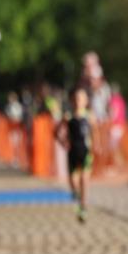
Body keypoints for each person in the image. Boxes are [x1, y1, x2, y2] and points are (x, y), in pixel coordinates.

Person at [56, 88, 94, 223]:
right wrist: (62, 142)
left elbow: (96, 132)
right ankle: (77, 197)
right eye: (76, 99)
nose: (78, 101)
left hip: (86, 152)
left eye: (81, 99)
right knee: (73, 181)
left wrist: (97, 145)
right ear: (72, 101)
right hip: (72, 151)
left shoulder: (89, 116)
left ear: (86, 101)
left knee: (84, 179)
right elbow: (56, 132)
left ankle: (83, 207)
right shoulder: (68, 116)